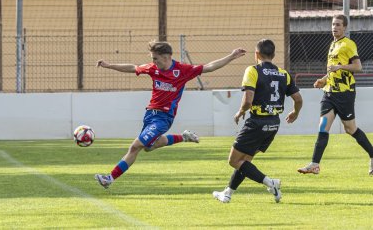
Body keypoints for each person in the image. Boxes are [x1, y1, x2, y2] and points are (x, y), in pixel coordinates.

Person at [95, 40, 246, 189]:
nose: (153, 61)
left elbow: (209, 67)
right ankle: (184, 137)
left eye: (155, 58)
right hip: (149, 115)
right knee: (148, 147)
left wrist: (231, 56)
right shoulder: (153, 68)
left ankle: (110, 178)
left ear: (166, 57)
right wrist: (109, 65)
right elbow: (133, 67)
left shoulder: (182, 70)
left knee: (135, 146)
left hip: (163, 118)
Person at [212, 39, 302, 203]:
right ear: (273, 55)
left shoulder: (253, 70)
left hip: (257, 122)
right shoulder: (284, 74)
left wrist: (240, 112)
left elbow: (248, 101)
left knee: (234, 161)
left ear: (256, 54)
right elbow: (298, 98)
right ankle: (227, 193)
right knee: (245, 162)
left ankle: (271, 183)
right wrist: (295, 112)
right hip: (274, 123)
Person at [298, 14, 373, 176]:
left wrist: (340, 68)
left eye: (338, 25)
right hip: (329, 94)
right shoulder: (332, 45)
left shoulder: (348, 44)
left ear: (344, 27)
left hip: (345, 94)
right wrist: (323, 80)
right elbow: (332, 70)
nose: (335, 27)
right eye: (333, 24)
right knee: (323, 126)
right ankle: (314, 164)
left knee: (350, 128)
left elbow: (357, 66)